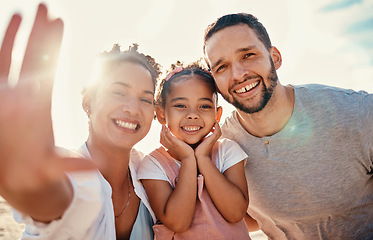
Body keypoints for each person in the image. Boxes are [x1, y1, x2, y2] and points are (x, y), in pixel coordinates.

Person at [202, 13, 373, 239]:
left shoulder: (358, 113)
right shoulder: (219, 147)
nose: (238, 74)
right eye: (222, 67)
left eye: (248, 55)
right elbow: (248, 217)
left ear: (275, 57)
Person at [0, 4, 162, 240]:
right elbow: (59, 202)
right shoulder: (74, 176)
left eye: (145, 99)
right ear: (88, 103)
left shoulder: (152, 175)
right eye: (118, 92)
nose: (133, 108)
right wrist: (33, 191)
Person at [137, 62, 251, 239]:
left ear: (217, 115)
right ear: (161, 114)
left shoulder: (227, 151)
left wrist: (203, 157)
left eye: (204, 106)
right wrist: (188, 160)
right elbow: (178, 222)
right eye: (181, 106)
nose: (192, 114)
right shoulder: (153, 164)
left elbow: (236, 213)